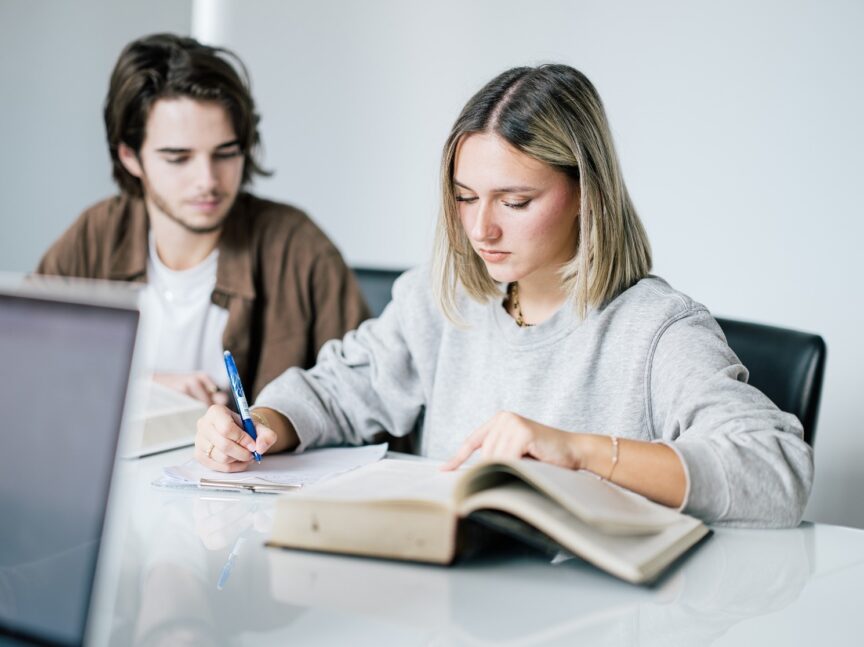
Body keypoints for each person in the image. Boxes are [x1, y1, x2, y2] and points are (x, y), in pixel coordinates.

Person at [196, 64, 813, 526]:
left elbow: (776, 470)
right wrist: (262, 426)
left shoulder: (656, 330)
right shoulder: (445, 300)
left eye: (515, 202)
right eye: (465, 197)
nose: (480, 229)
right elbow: (335, 389)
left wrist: (577, 451)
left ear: (586, 193)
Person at [36, 33, 369, 403]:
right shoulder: (95, 237)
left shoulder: (298, 247)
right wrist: (146, 389)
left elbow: (368, 399)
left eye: (225, 153)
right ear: (130, 156)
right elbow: (27, 371)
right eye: (178, 158)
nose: (207, 181)